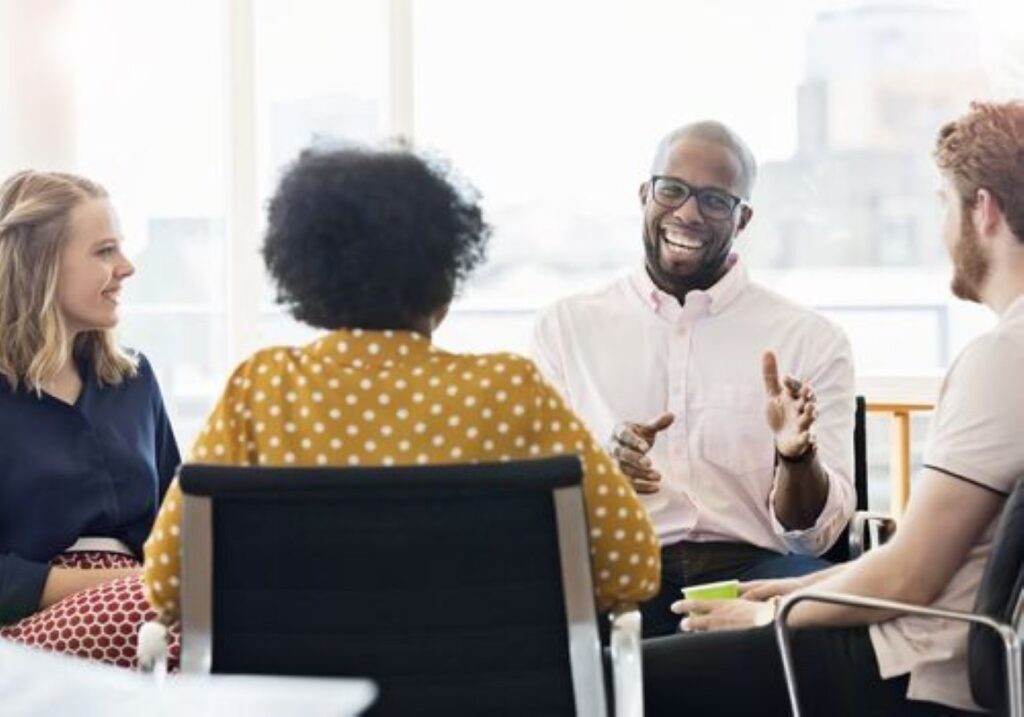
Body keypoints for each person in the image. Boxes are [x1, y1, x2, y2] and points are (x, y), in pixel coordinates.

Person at [143, 147, 661, 621]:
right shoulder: (510, 390)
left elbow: (169, 583)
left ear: (307, 276)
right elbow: (632, 567)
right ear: (445, 276)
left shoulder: (260, 390)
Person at [643, 100, 1024, 716]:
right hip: (931, 645)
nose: (941, 229)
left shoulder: (1001, 361)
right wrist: (798, 586)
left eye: (942, 204)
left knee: (631, 684)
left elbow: (909, 577)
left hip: (913, 664)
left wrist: (770, 612)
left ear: (982, 210)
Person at [531, 121, 856, 636]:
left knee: (830, 619)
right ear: (645, 194)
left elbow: (814, 540)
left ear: (742, 218)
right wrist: (602, 467)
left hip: (754, 572)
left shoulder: (811, 339)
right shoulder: (566, 328)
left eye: (713, 200)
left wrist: (796, 457)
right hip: (621, 568)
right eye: (673, 190)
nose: (688, 212)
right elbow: (542, 500)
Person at [0, 170, 181, 667]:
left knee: (243, 608)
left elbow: (174, 520)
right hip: (27, 626)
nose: (126, 267)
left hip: (144, 608)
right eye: (104, 251)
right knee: (181, 617)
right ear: (39, 266)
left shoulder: (135, 379)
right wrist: (131, 584)